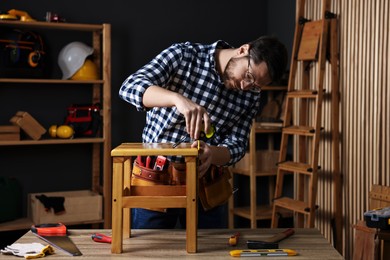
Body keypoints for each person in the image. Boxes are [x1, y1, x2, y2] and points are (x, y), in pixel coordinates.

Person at [119, 35, 288, 229]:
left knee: (211, 253)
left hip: (207, 185)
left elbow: (238, 144)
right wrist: (177, 99)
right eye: (248, 76)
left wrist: (213, 154)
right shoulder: (184, 55)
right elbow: (129, 87)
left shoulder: (250, 95)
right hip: (156, 177)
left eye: (256, 86)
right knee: (148, 251)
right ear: (243, 50)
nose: (245, 87)